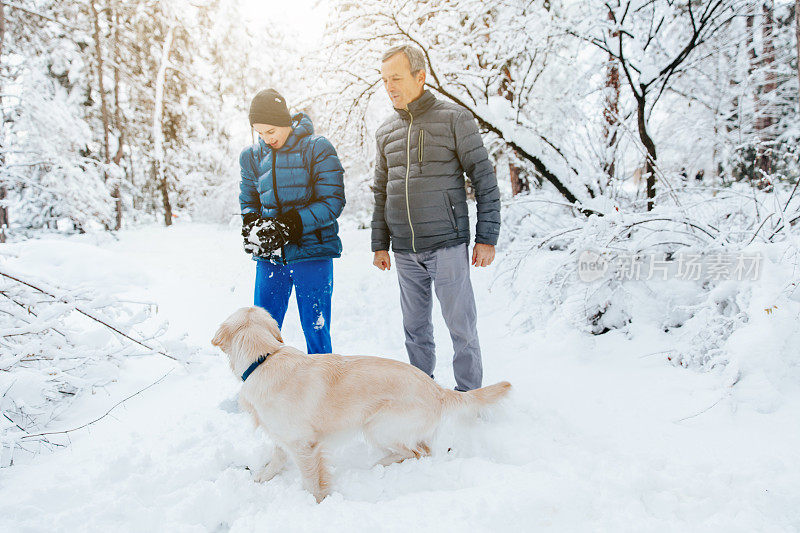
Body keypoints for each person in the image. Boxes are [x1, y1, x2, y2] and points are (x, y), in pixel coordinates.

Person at [371, 45, 501, 391]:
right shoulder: (385, 132)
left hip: (447, 244)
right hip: (404, 251)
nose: (390, 86)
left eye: (396, 78)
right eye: (385, 80)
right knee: (414, 329)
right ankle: (422, 394)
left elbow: (484, 178)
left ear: (420, 77)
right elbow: (381, 192)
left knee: (461, 326)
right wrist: (379, 244)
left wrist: (487, 237)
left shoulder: (454, 119)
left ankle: (469, 396)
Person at [239, 88, 345, 354]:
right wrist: (252, 225)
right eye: (260, 132)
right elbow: (249, 198)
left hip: (312, 253)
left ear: (285, 121)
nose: (266, 138)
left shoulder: (316, 148)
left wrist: (290, 225)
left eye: (271, 131)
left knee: (316, 330)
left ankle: (322, 391)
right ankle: (262, 390)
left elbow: (332, 201)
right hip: (270, 257)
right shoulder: (251, 156)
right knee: (261, 333)